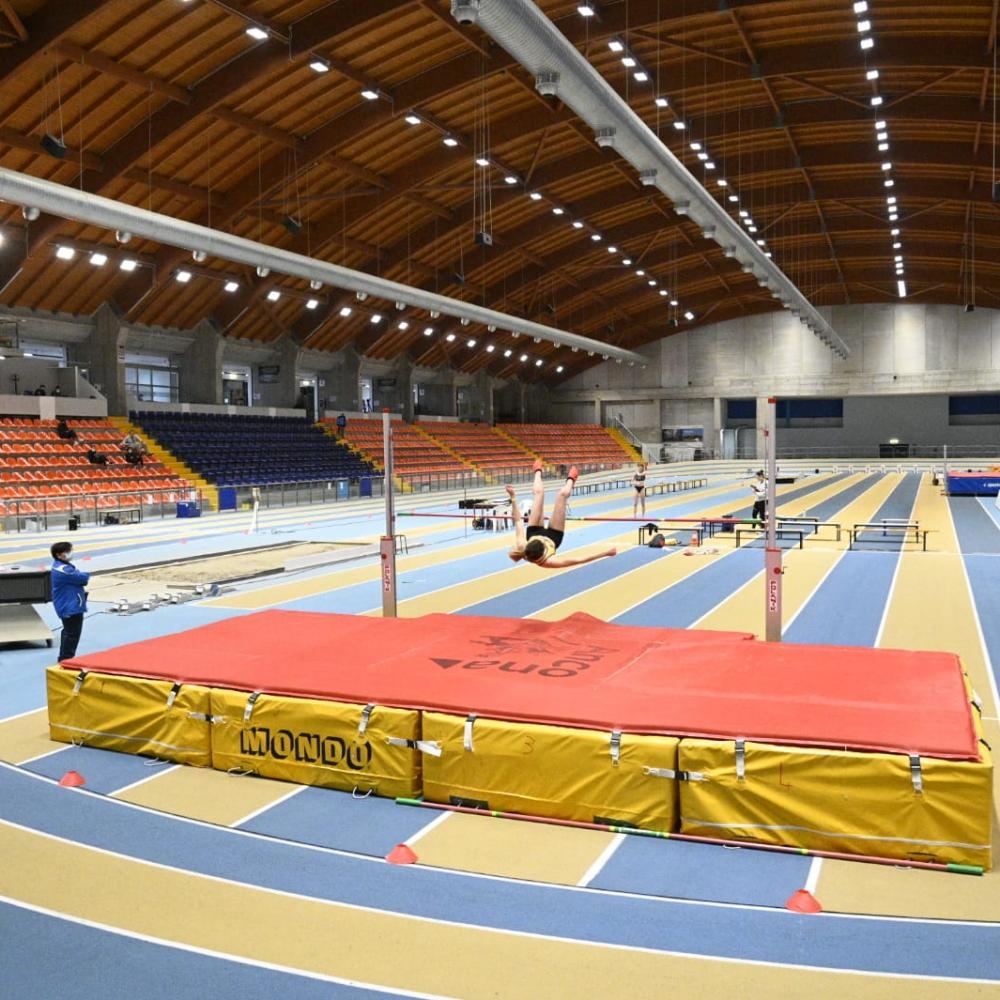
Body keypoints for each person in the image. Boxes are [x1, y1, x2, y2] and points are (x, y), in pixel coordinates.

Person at [507, 461, 617, 569]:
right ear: (543, 552)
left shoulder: (522, 546)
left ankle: (537, 471)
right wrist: (605, 553)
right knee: (562, 495)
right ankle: (571, 479)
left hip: (534, 531)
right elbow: (578, 560)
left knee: (539, 494)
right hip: (554, 536)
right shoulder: (549, 561)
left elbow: (518, 520)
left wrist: (513, 497)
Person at [51, 541, 90, 661]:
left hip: (70, 604)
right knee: (72, 634)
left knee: (68, 632)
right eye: (67, 551)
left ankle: (64, 658)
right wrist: (82, 574)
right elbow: (83, 578)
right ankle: (66, 659)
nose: (70, 553)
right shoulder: (64, 570)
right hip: (70, 606)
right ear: (58, 555)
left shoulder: (63, 566)